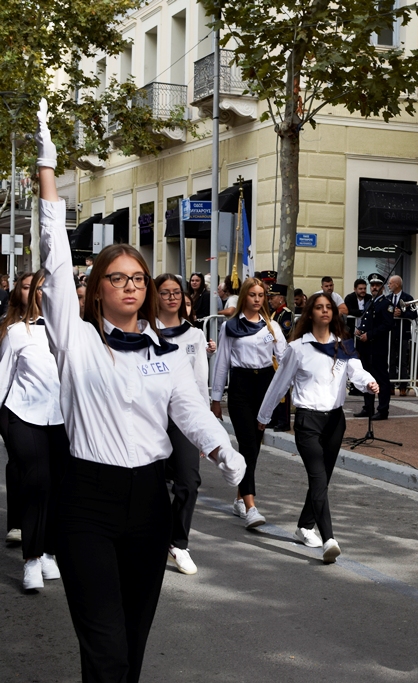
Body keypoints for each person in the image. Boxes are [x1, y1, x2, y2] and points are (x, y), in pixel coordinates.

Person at [36, 101, 245, 683]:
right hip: (88, 501)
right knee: (105, 648)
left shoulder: (171, 350)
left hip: (151, 500)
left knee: (131, 640)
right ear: (96, 287)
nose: (129, 285)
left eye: (137, 278)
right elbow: (54, 265)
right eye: (117, 277)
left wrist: (224, 450)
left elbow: (191, 412)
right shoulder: (74, 339)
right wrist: (48, 176)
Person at [257, 292, 378, 562]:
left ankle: (303, 526)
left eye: (328, 307)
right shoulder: (298, 348)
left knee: (322, 481)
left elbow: (356, 372)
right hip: (308, 421)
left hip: (335, 422)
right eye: (319, 307)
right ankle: (329, 539)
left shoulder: (343, 345)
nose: (325, 311)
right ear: (310, 313)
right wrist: (263, 416)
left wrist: (368, 383)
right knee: (318, 479)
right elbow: (280, 384)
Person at [0, 269, 69, 591]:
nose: (45, 293)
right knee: (35, 485)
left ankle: (47, 552)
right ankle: (30, 559)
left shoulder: (75, 332)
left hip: (63, 421)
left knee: (57, 489)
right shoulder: (17, 332)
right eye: (39, 288)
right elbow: (2, 380)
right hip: (23, 417)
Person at [211, 277, 288, 529]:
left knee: (255, 446)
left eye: (261, 295)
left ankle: (239, 499)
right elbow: (222, 363)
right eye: (252, 295)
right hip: (241, 386)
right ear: (244, 296)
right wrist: (215, 399)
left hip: (264, 386)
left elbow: (285, 360)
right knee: (247, 443)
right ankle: (251, 507)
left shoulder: (272, 327)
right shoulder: (230, 327)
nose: (257, 299)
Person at [153, 274, 212, 576]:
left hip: (184, 417)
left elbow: (201, 380)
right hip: (150, 416)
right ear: (156, 296)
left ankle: (179, 543)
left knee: (189, 481)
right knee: (153, 483)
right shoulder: (144, 331)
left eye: (177, 292)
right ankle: (153, 538)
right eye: (165, 293)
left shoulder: (194, 335)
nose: (172, 297)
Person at [1, 271, 34, 546]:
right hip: (11, 408)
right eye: (27, 287)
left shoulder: (57, 326)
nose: (33, 292)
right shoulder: (7, 327)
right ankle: (16, 523)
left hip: (47, 410)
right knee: (19, 463)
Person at [354, 273, 394, 419]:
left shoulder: (386, 303)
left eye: (377, 285)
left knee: (381, 379)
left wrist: (369, 335)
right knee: (367, 378)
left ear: (382, 287)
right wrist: (360, 330)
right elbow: (367, 321)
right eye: (373, 285)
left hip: (378, 348)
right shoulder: (370, 301)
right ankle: (368, 407)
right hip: (366, 347)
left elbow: (388, 324)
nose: (375, 287)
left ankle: (383, 410)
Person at [267, 283, 294, 432]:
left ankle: (283, 421)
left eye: (273, 297)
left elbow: (285, 332)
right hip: (272, 357)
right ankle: (274, 418)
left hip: (281, 355)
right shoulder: (273, 314)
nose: (270, 300)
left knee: (282, 389)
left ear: (281, 298)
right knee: (273, 388)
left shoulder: (285, 313)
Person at [386, 275, 416, 394]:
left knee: (403, 360)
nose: (388, 285)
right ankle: (391, 385)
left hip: (403, 333)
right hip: (391, 333)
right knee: (391, 359)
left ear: (397, 284)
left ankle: (403, 386)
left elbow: (414, 314)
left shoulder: (408, 297)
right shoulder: (388, 298)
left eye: (390, 283)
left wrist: (402, 314)